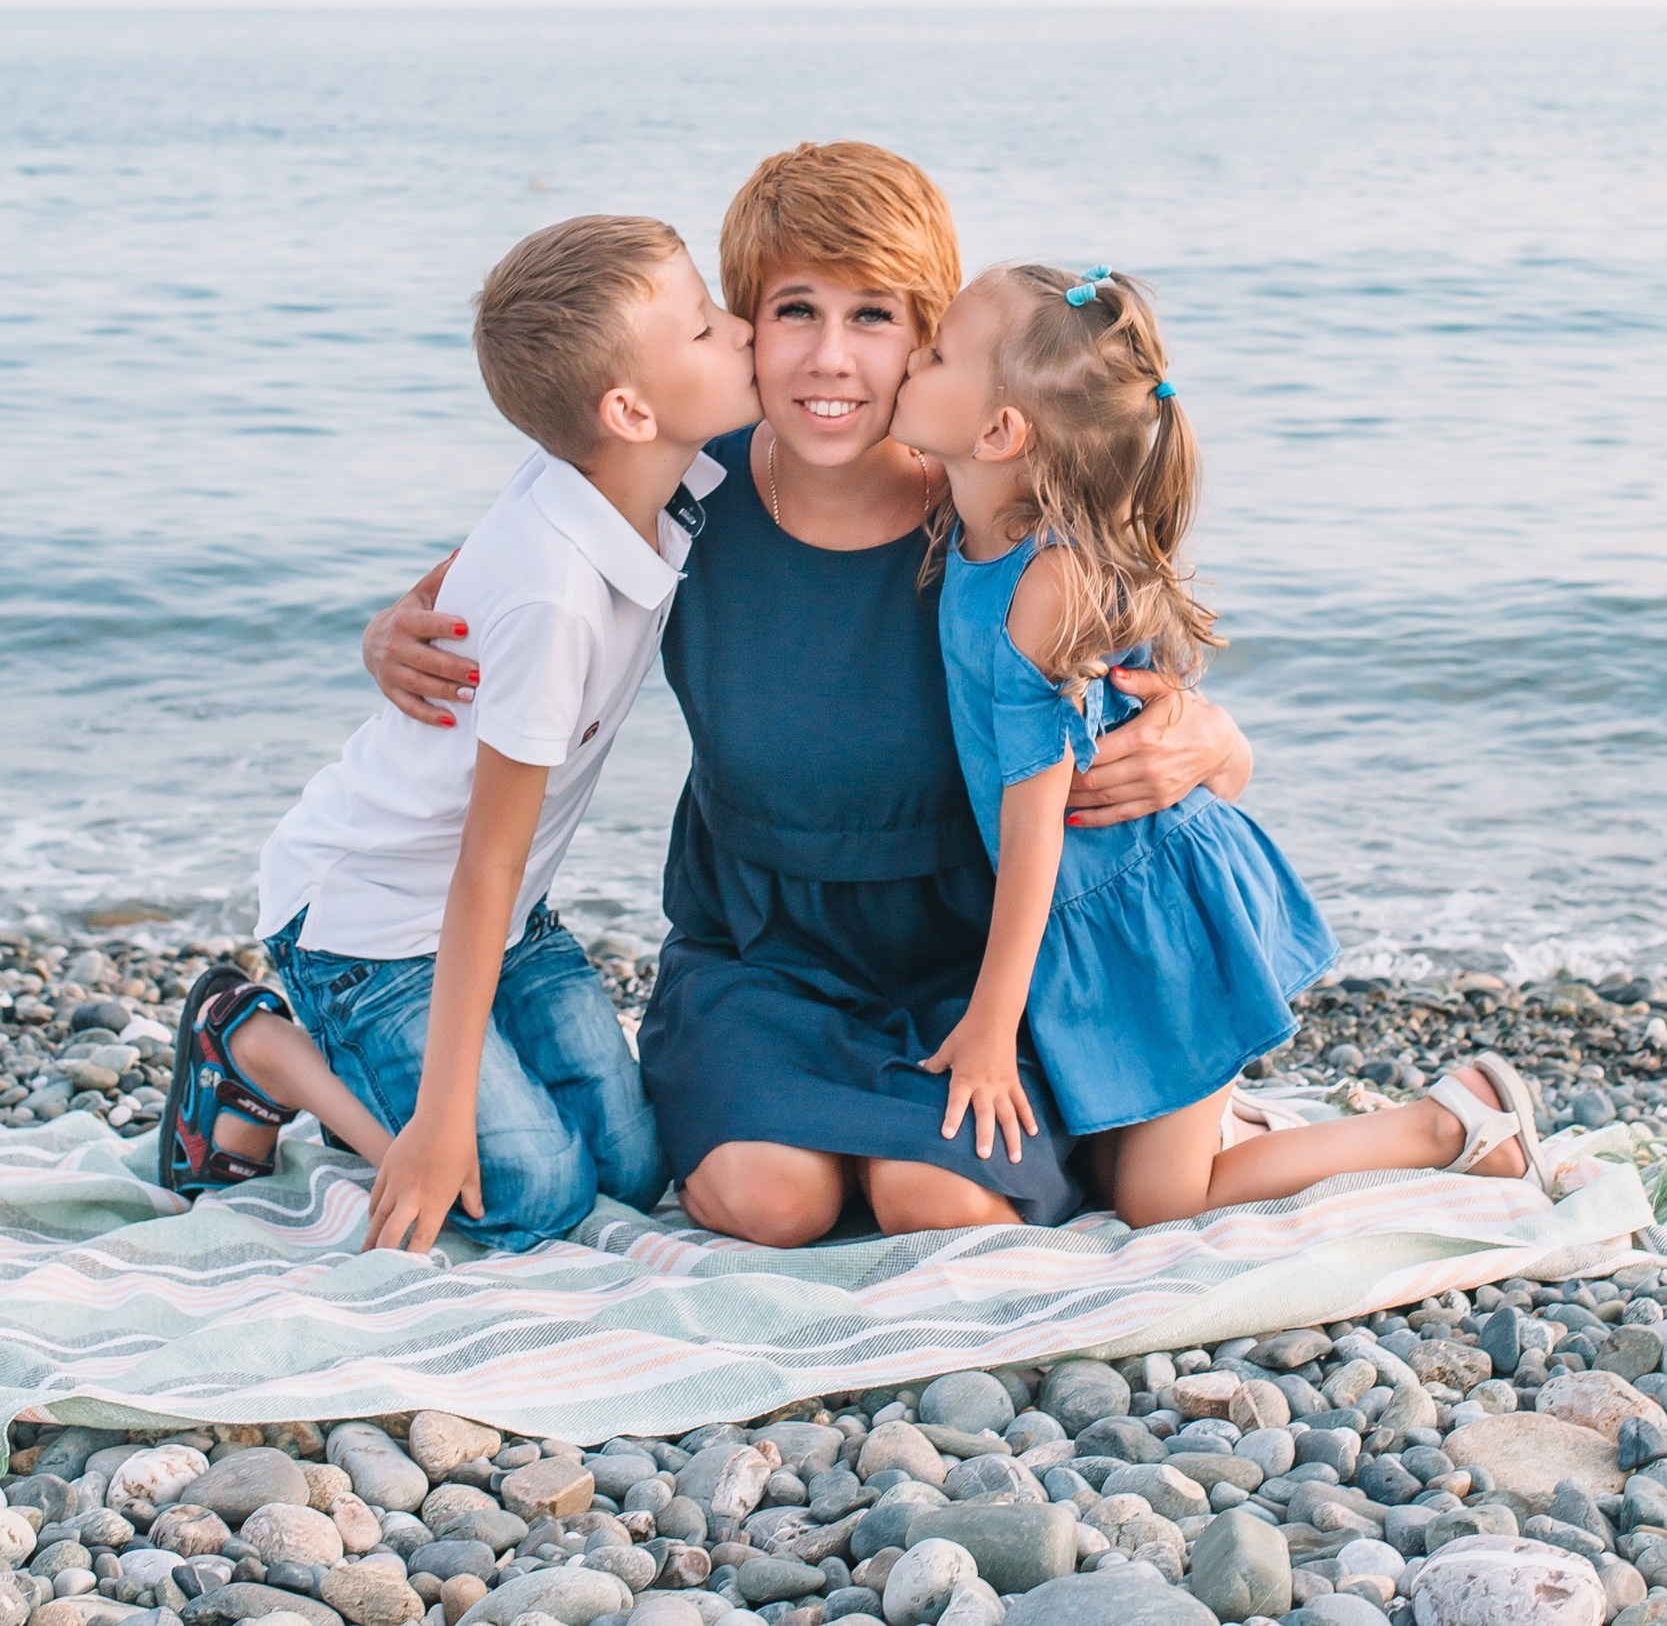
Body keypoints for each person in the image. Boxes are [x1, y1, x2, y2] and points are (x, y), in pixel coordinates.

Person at [367, 145, 1257, 1244]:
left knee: (939, 1205)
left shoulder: (996, 518)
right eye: (794, 310)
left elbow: (1156, 710)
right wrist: (389, 634)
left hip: (967, 959)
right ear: (742, 324)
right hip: (759, 947)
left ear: (929, 340)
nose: (829, 358)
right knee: (766, 1201)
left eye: (874, 317)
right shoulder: (690, 476)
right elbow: (509, 564)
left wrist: (1212, 742)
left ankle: (981, 1135)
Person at [889, 261, 1549, 1225]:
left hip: (1155, 912)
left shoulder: (1045, 585)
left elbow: (1033, 838)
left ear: (998, 433)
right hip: (1103, 912)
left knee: (1159, 1204)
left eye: (937, 352)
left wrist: (989, 1030)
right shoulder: (981, 523)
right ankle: (1234, 1127)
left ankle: (1449, 1124)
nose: (911, 356)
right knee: (1125, 1181)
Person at [160, 215, 759, 1254]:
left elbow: (448, 587)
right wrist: (434, 1130)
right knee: (532, 1195)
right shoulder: (557, 594)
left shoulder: (639, 481)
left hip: (497, 910)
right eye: (705, 327)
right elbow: (481, 862)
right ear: (626, 409)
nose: (742, 328)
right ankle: (254, 1043)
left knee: (631, 1166)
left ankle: (426, 1092)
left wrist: (383, 625)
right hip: (369, 927)